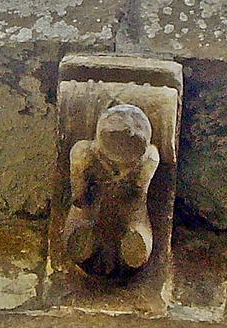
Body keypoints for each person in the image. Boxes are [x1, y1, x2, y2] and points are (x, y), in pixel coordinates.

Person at [64, 104, 159, 277]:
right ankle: (86, 236)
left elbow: (137, 197)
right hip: (93, 207)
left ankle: (130, 240)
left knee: (136, 245)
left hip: (127, 211)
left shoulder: (149, 160)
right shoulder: (83, 154)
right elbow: (79, 197)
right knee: (80, 236)